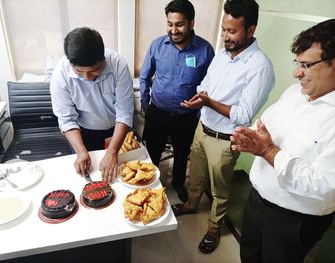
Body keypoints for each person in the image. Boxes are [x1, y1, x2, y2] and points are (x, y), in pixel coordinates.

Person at [171, 0, 275, 254]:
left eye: (232, 31)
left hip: (225, 138)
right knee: (194, 175)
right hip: (202, 127)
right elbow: (206, 83)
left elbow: (242, 114)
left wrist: (208, 102)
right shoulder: (221, 53)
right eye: (223, 29)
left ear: (250, 30)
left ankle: (215, 227)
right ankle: (191, 205)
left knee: (220, 188)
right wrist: (199, 98)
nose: (225, 36)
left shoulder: (260, 67)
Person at [230, 19, 335, 263]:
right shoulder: (294, 94)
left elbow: (325, 185)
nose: (296, 73)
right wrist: (249, 137)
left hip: (294, 221)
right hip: (256, 200)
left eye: (307, 65)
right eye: (297, 63)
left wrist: (267, 150)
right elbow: (263, 126)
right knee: (248, 256)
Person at [140, 0, 214, 203]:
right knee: (152, 153)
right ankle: (149, 185)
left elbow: (209, 85)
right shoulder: (157, 45)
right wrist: (146, 105)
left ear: (191, 23)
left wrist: (199, 113)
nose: (174, 30)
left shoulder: (205, 50)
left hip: (186, 116)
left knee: (182, 154)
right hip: (158, 113)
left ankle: (178, 184)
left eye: (179, 24)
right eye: (170, 24)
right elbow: (145, 77)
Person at [50, 27, 134, 183]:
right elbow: (67, 119)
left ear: (103, 59)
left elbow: (124, 113)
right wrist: (81, 152)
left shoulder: (118, 64)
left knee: (118, 178)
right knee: (88, 180)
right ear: (71, 64)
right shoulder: (60, 75)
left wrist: (112, 152)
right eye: (79, 72)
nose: (87, 78)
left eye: (94, 71)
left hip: (116, 131)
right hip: (83, 133)